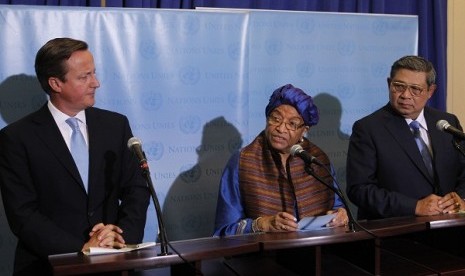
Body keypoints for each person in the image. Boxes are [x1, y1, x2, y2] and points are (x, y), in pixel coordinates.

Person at [0, 38, 150, 275]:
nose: (96, 83)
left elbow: (137, 188)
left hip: (112, 265)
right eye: (84, 77)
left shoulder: (115, 125)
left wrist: (121, 238)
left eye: (94, 73)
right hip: (48, 266)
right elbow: (23, 214)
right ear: (55, 84)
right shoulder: (17, 138)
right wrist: (81, 249)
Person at [214, 84, 348, 236]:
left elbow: (336, 206)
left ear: (304, 130)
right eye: (275, 119)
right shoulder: (242, 161)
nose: (281, 128)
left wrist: (341, 214)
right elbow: (223, 232)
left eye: (292, 124)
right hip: (262, 256)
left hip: (318, 253)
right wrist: (261, 224)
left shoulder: (317, 159)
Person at [346, 55, 465, 220]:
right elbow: (359, 190)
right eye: (399, 86)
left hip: (450, 229)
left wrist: (460, 199)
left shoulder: (446, 123)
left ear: (430, 91)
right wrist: (415, 206)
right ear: (389, 84)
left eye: (415, 89)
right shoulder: (368, 129)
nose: (405, 95)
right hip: (397, 232)